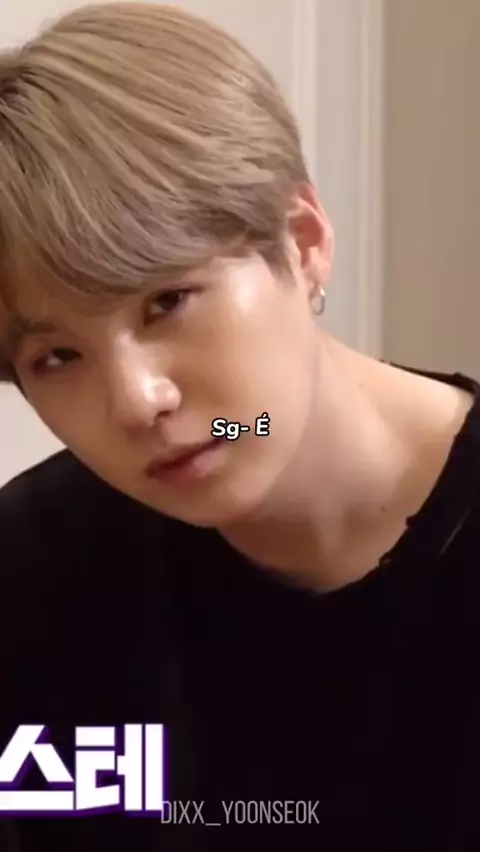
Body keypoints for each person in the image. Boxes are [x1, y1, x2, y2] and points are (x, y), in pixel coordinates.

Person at [0, 3, 479, 851]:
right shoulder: (33, 569)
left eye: (168, 302)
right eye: (58, 357)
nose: (138, 401)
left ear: (303, 241)